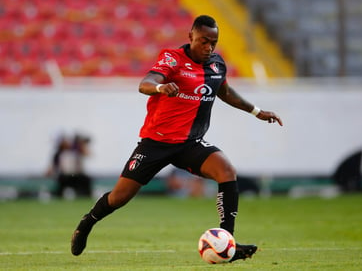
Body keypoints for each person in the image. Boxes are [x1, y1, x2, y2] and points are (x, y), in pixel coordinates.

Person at [71, 15, 283, 262]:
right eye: (204, 41)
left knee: (226, 171)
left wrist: (256, 111)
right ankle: (88, 222)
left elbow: (224, 91)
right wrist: (161, 87)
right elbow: (145, 83)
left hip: (189, 143)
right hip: (156, 142)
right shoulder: (172, 59)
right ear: (190, 36)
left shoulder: (216, 64)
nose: (209, 47)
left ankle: (227, 242)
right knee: (120, 197)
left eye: (213, 42)